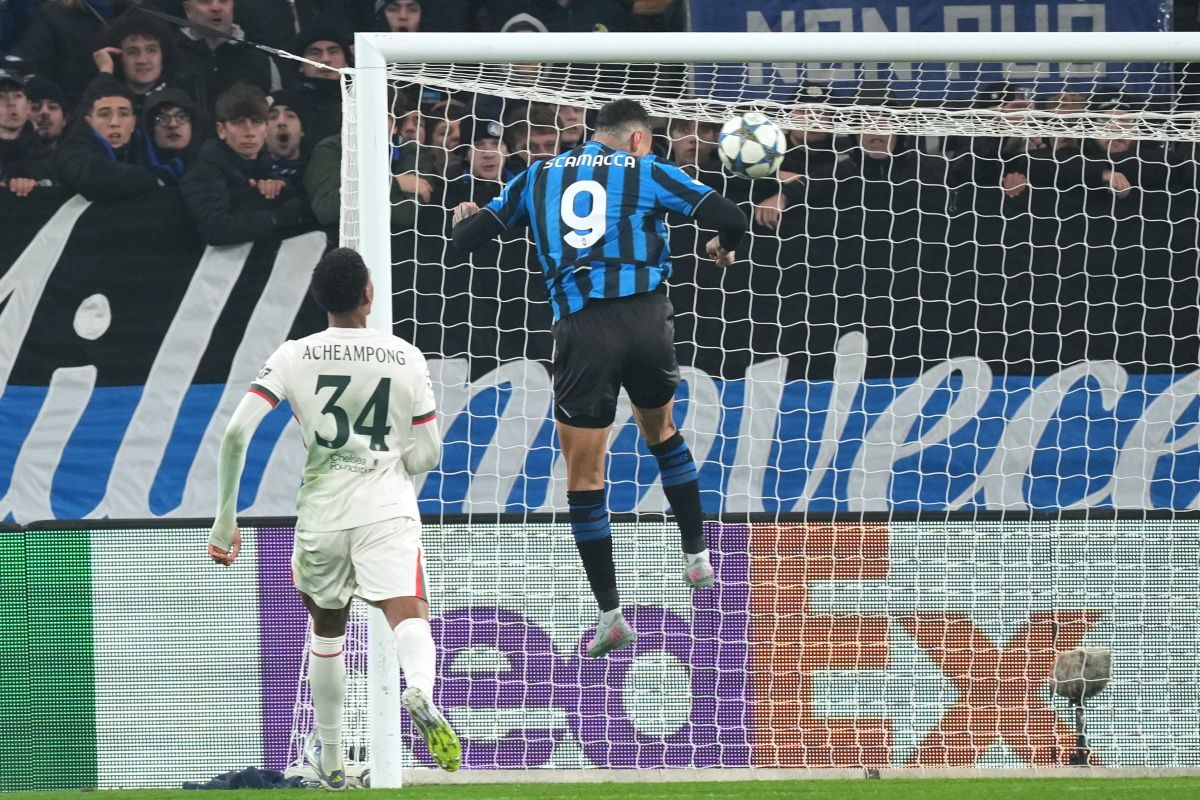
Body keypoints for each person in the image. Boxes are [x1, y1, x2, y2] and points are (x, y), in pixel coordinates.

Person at [450, 99, 748, 657]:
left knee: (585, 475)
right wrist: (721, 248)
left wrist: (464, 222)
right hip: (646, 318)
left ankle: (611, 614)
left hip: (583, 331)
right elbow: (731, 218)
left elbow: (466, 244)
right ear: (637, 140)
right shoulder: (646, 170)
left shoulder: (537, 174)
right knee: (661, 431)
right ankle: (697, 558)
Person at [206, 247, 462, 783]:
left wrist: (225, 520)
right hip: (387, 510)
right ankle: (419, 688)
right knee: (410, 615)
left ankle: (330, 756)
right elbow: (429, 452)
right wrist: (398, 459)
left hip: (322, 513)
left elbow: (235, 433)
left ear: (320, 299)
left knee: (326, 630)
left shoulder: (295, 355)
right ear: (368, 293)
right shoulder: (405, 356)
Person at [180, 82, 313, 245]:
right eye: (239, 122)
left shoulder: (262, 165)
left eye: (257, 122)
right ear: (222, 130)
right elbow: (214, 229)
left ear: (265, 128)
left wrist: (279, 184)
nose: (249, 132)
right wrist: (276, 217)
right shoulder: (204, 169)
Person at [56, 75, 161, 201]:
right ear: (89, 122)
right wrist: (151, 180)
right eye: (104, 114)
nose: (114, 122)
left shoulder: (148, 147)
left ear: (133, 123)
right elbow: (93, 178)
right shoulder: (71, 149)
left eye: (123, 114)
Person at [1, 68, 56, 196]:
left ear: (29, 108)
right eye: (0, 97)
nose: (11, 103)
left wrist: (37, 187)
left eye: (18, 96)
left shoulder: (50, 159)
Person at [25, 74, 68, 147]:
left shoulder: (79, 156)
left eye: (52, 107)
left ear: (64, 119)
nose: (44, 112)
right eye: (35, 107)